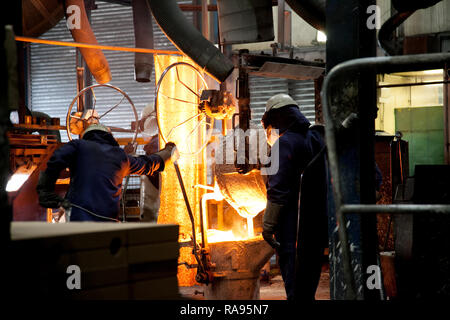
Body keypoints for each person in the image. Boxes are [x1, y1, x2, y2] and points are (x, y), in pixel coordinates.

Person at [261, 93, 328, 301]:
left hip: (293, 230)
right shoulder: (317, 138)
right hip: (317, 228)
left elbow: (278, 190)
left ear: (276, 119)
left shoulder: (285, 143)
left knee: (297, 289)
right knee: (308, 286)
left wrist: (268, 226)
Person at [36, 123, 177, 222]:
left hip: (78, 219)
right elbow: (150, 164)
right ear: (109, 137)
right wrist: (169, 151)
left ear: (87, 136)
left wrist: (45, 190)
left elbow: (55, 161)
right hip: (107, 223)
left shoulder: (78, 147)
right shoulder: (120, 157)